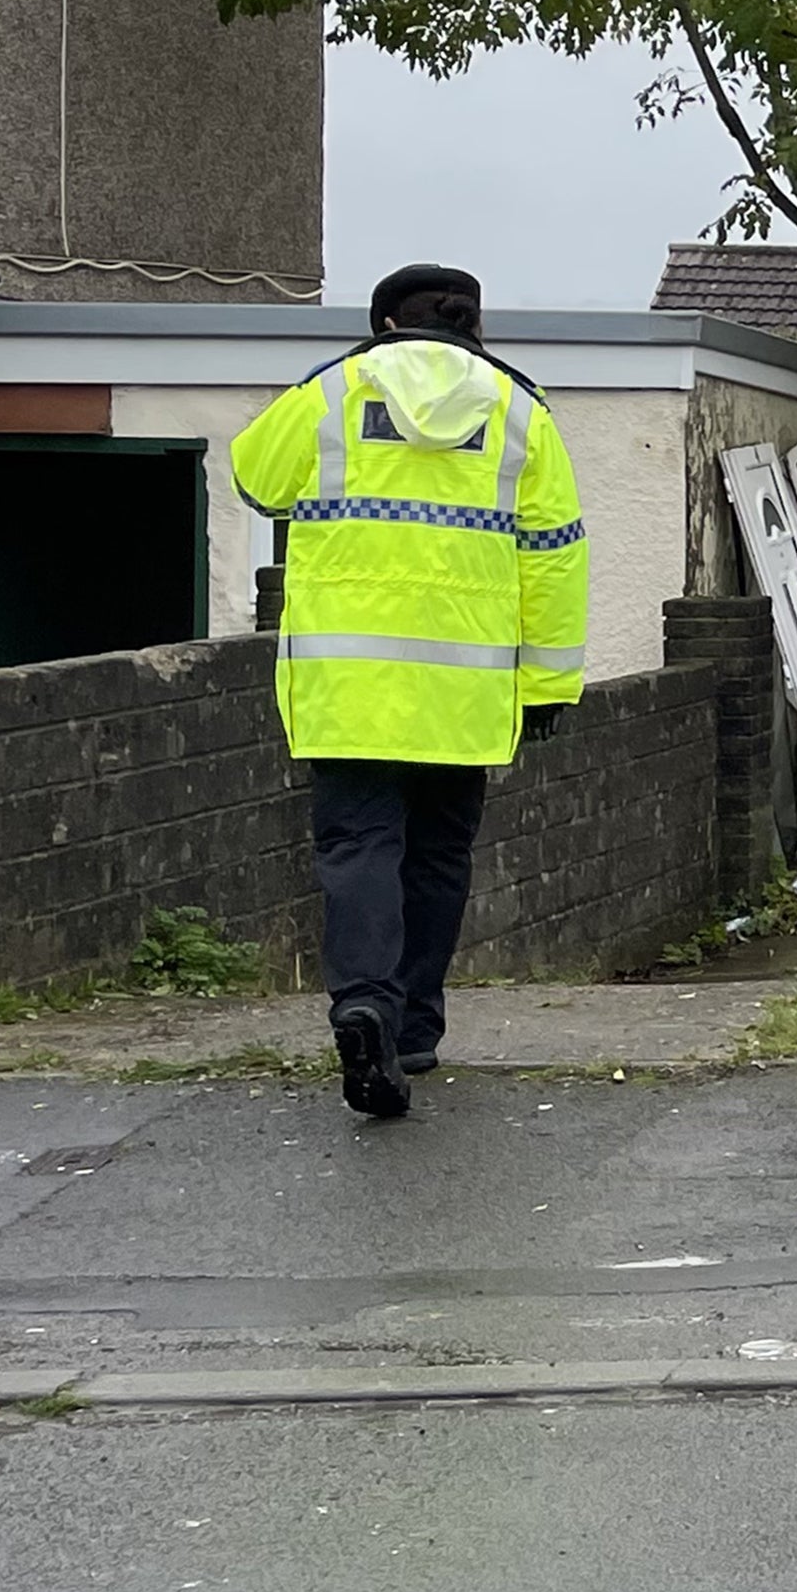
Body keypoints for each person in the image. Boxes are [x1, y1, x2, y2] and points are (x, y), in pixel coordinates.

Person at [229, 264, 588, 1120]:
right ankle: (417, 1030)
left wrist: (346, 378)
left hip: (347, 687)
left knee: (359, 850)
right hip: (463, 695)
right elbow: (556, 558)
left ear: (385, 322)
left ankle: (364, 1004)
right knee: (436, 856)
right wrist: (545, 686)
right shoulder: (520, 412)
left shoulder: (332, 392)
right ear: (473, 326)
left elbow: (254, 477)